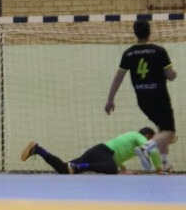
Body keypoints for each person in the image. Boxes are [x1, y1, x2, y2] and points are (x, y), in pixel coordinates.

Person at [104, 20, 177, 172]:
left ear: (135, 33)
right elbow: (170, 76)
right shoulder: (159, 51)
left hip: (143, 100)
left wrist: (110, 99)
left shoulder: (128, 53)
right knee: (169, 132)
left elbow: (118, 78)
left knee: (162, 130)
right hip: (159, 97)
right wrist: (174, 73)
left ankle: (164, 165)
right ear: (149, 32)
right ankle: (145, 148)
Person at [21, 127, 161, 174]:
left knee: (64, 169)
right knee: (112, 169)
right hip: (103, 152)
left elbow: (118, 155)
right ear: (148, 135)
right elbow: (153, 150)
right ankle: (80, 166)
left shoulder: (131, 139)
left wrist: (123, 170)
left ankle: (38, 149)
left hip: (98, 152)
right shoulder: (138, 136)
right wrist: (159, 169)